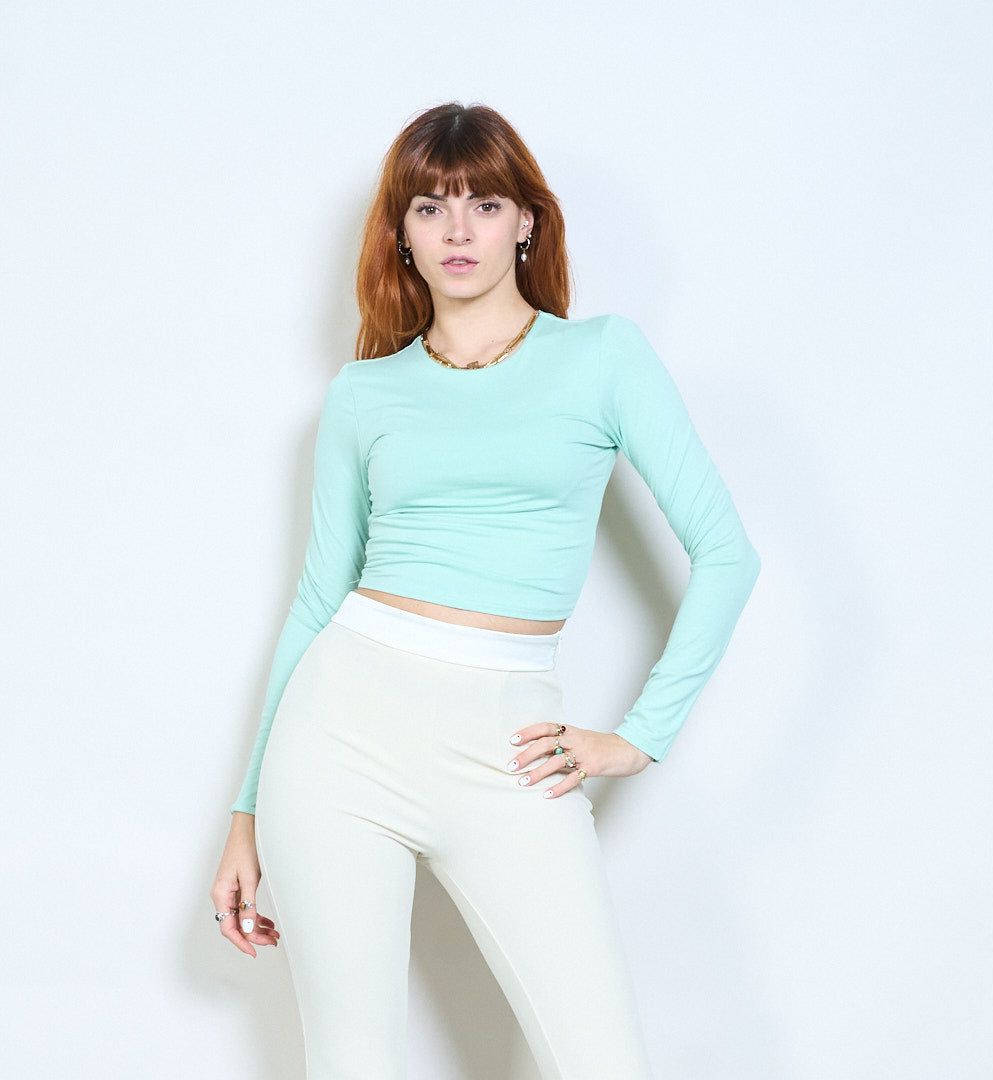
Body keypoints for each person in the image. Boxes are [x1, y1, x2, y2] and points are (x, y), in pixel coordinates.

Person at [210, 102, 760, 1079]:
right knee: (351, 1061)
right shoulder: (364, 394)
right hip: (339, 735)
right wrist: (247, 813)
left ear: (526, 221)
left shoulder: (602, 357)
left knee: (603, 1060)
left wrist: (639, 737)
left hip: (511, 749)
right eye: (430, 207)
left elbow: (726, 553)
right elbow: (318, 597)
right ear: (402, 234)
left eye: (485, 203)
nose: (458, 229)